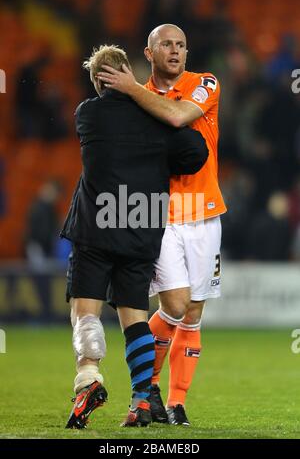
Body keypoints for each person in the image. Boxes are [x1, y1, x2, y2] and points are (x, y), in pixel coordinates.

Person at [60, 44, 208, 429]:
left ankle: (89, 378)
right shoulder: (157, 119)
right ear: (129, 73)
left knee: (84, 313)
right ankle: (142, 401)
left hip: (96, 226)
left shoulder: (88, 114)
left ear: (97, 82)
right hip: (142, 227)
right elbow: (196, 152)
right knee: (135, 317)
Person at [97, 23, 227, 426]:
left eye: (181, 45)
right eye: (166, 45)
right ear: (149, 53)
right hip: (161, 215)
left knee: (194, 312)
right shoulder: (136, 101)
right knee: (174, 304)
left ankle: (176, 402)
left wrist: (133, 88)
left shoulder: (205, 83)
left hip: (206, 212)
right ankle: (146, 386)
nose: (175, 51)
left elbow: (178, 116)